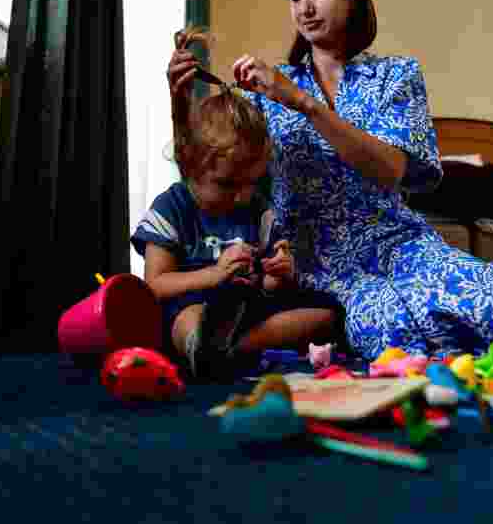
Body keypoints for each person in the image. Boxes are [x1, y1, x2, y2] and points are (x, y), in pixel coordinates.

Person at [166, 0, 493, 362]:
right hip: (319, 267)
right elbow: (211, 170)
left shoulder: (395, 76)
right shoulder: (264, 95)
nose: (305, 7)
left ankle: (464, 345)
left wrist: (303, 102)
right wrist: (178, 101)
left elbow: (391, 170)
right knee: (389, 336)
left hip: (402, 245)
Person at [131, 88, 338, 379]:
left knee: (325, 314)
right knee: (186, 318)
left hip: (248, 309)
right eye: (227, 184)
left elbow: (266, 281)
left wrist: (277, 275)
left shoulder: (258, 210)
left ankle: (230, 348)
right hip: (194, 305)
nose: (241, 196)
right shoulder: (171, 207)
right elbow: (154, 284)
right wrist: (214, 274)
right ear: (191, 167)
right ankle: (202, 346)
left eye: (251, 183)